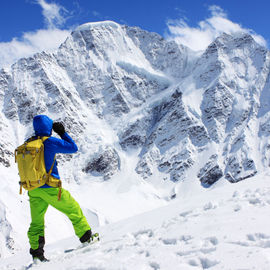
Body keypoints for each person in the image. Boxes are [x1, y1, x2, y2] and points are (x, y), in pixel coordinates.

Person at [27, 115, 92, 261]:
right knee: (73, 209)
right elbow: (73, 148)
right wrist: (62, 132)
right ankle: (87, 239)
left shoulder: (29, 143)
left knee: (36, 223)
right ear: (48, 128)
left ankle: (37, 256)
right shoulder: (50, 142)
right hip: (50, 187)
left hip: (33, 189)